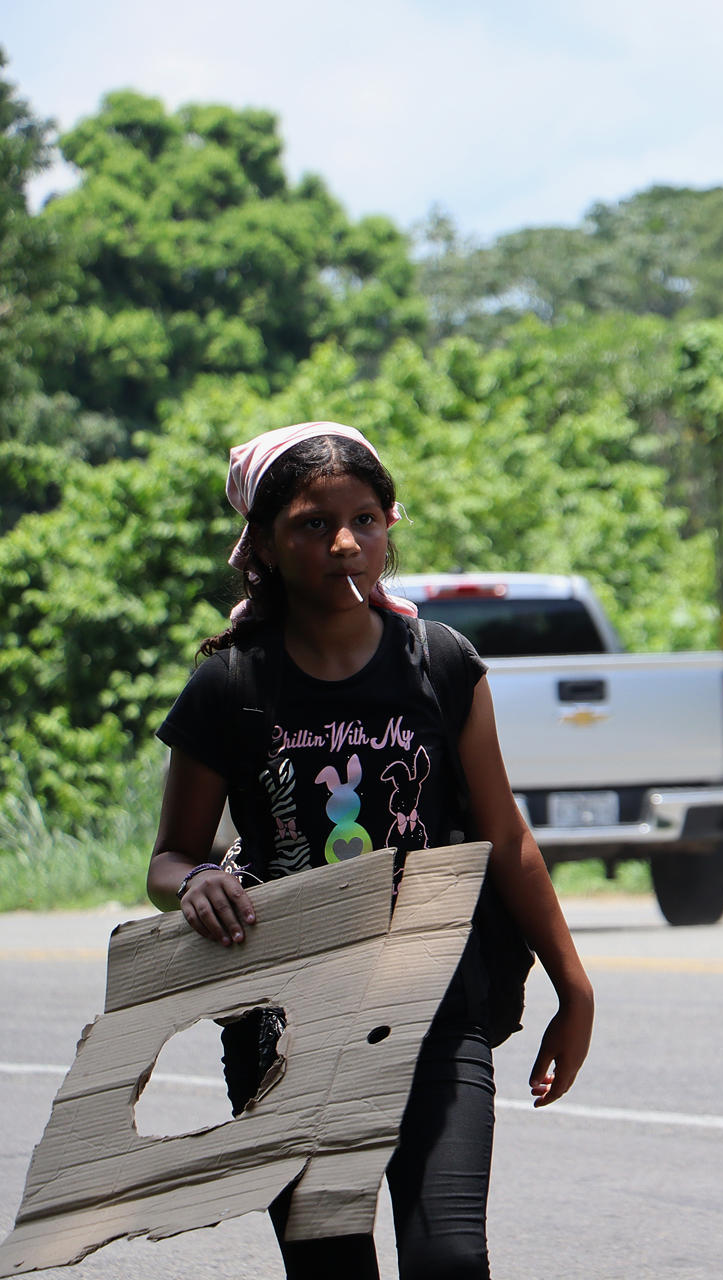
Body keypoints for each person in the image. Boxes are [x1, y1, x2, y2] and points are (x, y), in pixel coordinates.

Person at [146, 422, 595, 1280]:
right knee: (331, 1268)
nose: (345, 544)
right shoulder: (229, 686)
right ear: (266, 547)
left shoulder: (439, 663)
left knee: (451, 1258)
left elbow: (506, 837)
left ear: (390, 525)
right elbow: (171, 857)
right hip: (284, 1026)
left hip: (434, 1005)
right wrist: (198, 881)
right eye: (314, 525)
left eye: (366, 520)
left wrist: (573, 990)